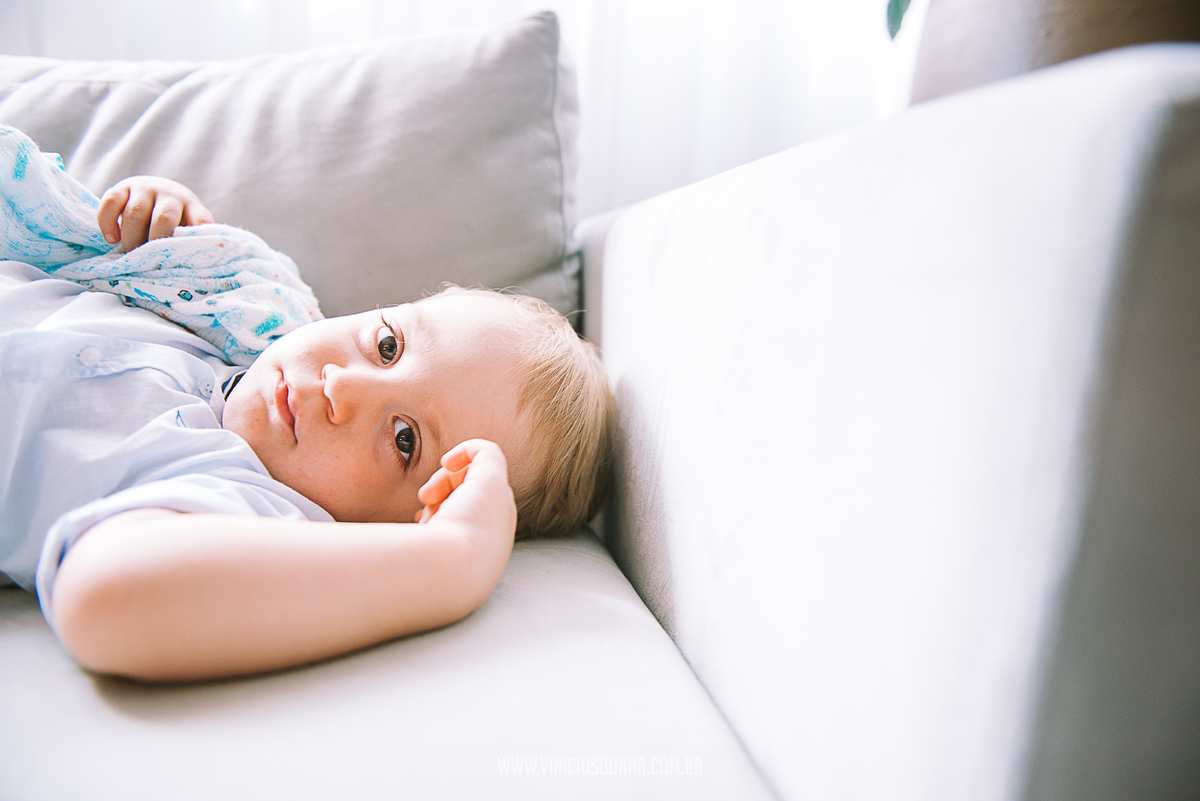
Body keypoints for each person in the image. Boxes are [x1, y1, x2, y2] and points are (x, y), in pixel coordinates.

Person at [0, 173, 613, 683]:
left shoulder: (240, 500)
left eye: (405, 439)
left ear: (408, 522)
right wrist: (158, 219)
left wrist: (449, 560)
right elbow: (81, 248)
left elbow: (109, 600)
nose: (342, 387)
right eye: (388, 345)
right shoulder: (227, 312)